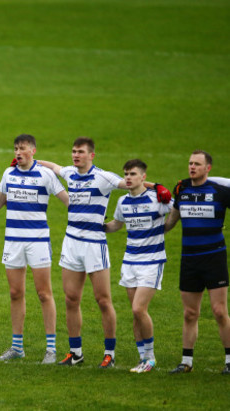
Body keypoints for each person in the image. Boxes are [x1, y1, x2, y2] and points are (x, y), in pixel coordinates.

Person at [40, 137, 170, 368]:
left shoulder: (104, 177)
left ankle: (109, 353)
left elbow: (130, 183)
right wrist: (32, 161)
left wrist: (157, 187)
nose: (75, 155)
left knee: (103, 300)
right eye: (73, 151)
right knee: (71, 299)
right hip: (71, 242)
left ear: (92, 155)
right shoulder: (70, 172)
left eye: (80, 152)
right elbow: (55, 167)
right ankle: (75, 353)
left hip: (94, 244)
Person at [0, 134, 69, 364]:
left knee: (43, 293)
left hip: (37, 241)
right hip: (13, 241)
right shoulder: (9, 174)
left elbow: (66, 199)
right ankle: (17, 347)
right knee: (15, 293)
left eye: (22, 149)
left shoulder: (46, 175)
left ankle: (51, 349)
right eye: (16, 149)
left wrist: (88, 215)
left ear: (33, 151)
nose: (18, 153)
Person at [165, 151, 230, 375]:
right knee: (190, 313)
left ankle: (229, 361)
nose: (192, 167)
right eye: (190, 163)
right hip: (189, 259)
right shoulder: (182, 189)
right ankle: (186, 362)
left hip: (214, 257)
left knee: (220, 311)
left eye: (197, 164)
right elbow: (171, 220)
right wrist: (149, 227)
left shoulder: (220, 191)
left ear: (208, 168)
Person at [104, 159, 172, 373]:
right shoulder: (123, 201)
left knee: (138, 308)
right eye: (126, 174)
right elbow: (117, 224)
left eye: (133, 174)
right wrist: (100, 226)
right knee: (136, 314)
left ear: (143, 177)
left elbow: (176, 208)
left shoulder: (157, 199)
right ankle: (142, 358)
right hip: (130, 261)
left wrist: (166, 226)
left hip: (152, 261)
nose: (128, 177)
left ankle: (150, 358)